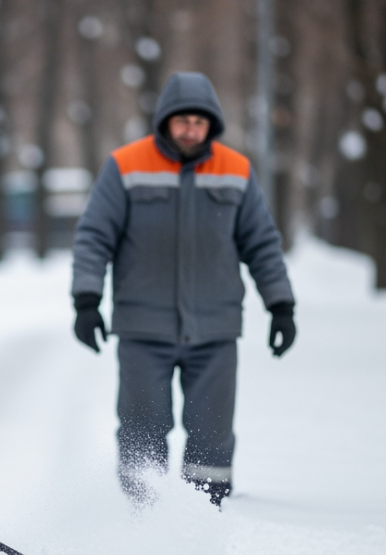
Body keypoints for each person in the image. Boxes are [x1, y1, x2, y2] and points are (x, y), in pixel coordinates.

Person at [71, 71, 296, 508]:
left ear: (211, 124)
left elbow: (262, 243)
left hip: (215, 331)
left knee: (212, 434)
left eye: (199, 121)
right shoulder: (126, 165)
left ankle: (204, 517)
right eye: (182, 121)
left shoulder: (236, 170)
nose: (191, 129)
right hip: (143, 330)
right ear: (165, 122)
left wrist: (281, 305)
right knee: (142, 427)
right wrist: (86, 300)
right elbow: (94, 235)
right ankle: (144, 517)